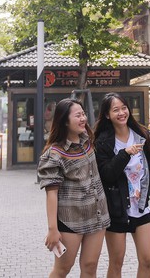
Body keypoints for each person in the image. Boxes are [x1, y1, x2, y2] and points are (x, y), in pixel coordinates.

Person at [38, 98, 110, 278]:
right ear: (64, 120)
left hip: (97, 216)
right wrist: (52, 229)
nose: (83, 118)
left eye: (83, 114)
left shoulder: (88, 141)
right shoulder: (54, 154)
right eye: (78, 115)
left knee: (90, 266)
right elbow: (51, 194)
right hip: (70, 221)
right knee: (63, 269)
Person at [93, 93, 150, 278]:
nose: (121, 113)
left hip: (141, 208)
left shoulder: (141, 135)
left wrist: (147, 189)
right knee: (117, 262)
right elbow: (107, 174)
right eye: (116, 110)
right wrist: (125, 153)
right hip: (116, 209)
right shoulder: (103, 142)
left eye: (124, 108)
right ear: (107, 115)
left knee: (147, 259)